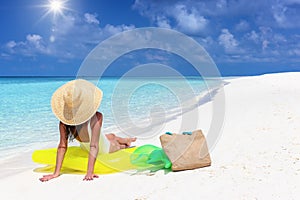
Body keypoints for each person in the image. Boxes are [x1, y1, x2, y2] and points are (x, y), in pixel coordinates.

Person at [39, 79, 136, 182]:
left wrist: (90, 171)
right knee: (114, 141)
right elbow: (63, 146)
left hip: (100, 148)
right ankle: (126, 142)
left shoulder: (90, 118)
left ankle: (126, 141)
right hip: (95, 145)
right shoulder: (66, 122)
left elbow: (93, 146)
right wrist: (56, 173)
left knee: (114, 141)